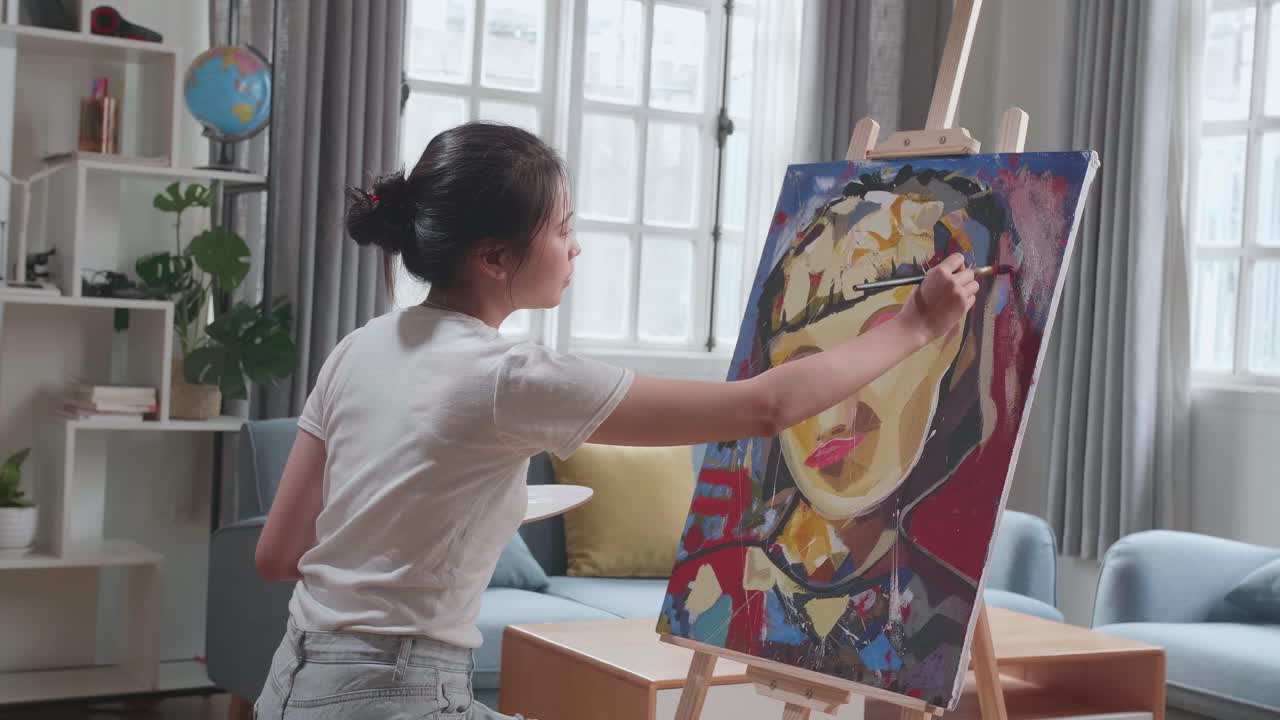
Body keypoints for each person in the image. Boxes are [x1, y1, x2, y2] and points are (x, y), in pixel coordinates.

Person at [252, 122, 978, 719]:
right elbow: (766, 407)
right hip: (398, 697)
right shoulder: (511, 378)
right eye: (562, 229)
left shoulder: (358, 348)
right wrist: (912, 325)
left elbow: (279, 555)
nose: (575, 247)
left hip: (293, 681)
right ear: (495, 256)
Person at [660, 165, 1007, 703]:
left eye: (875, 348)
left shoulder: (942, 610)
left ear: (944, 343)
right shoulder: (709, 590)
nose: (834, 409)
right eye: (802, 365)